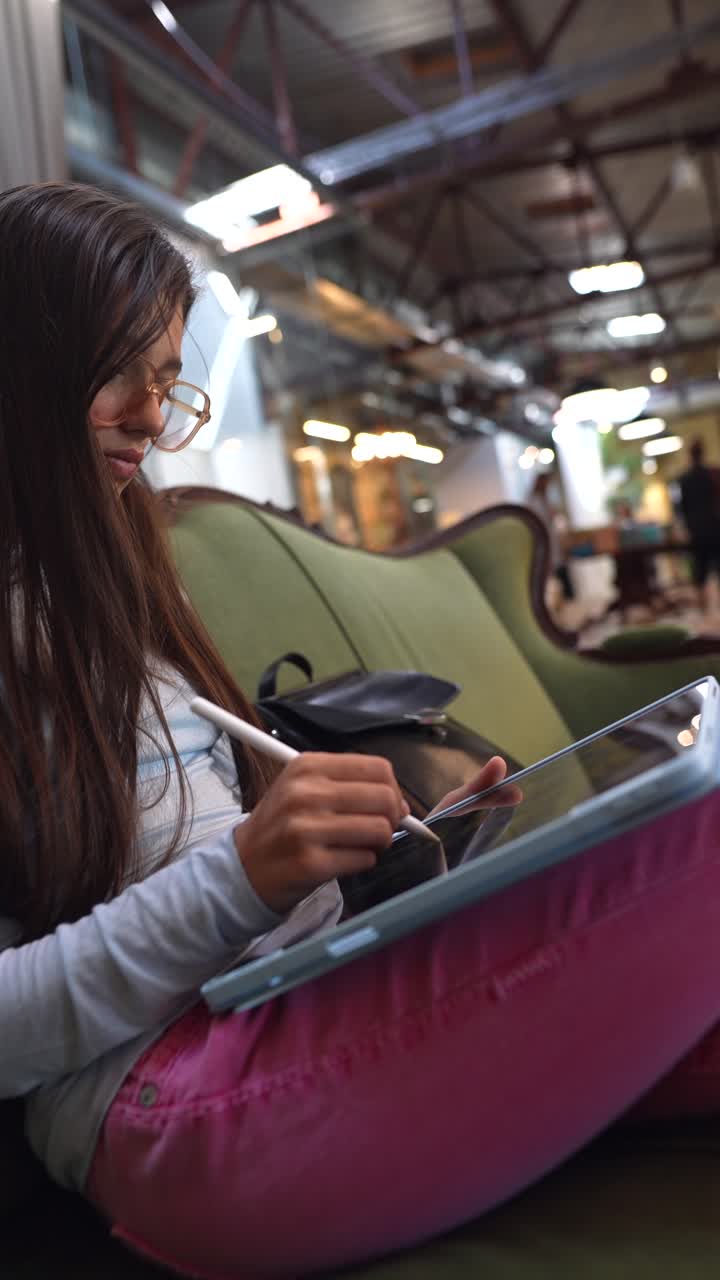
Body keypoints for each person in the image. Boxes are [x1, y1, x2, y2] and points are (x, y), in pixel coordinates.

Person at [1, 183, 720, 1280]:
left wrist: (383, 864)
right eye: (119, 374)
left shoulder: (111, 599)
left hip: (277, 1013)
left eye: (165, 383)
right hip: (158, 1103)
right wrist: (243, 878)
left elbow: (226, 911)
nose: (152, 418)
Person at [678, 438, 720, 612]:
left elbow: (682, 508)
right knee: (717, 567)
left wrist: (686, 528)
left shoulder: (684, 479)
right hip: (714, 527)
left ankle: (704, 608)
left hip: (696, 530)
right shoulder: (713, 473)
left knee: (699, 571)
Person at [528, 470, 574, 601]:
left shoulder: (544, 500)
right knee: (556, 578)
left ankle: (569, 600)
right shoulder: (534, 502)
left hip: (553, 543)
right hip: (545, 544)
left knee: (562, 574)